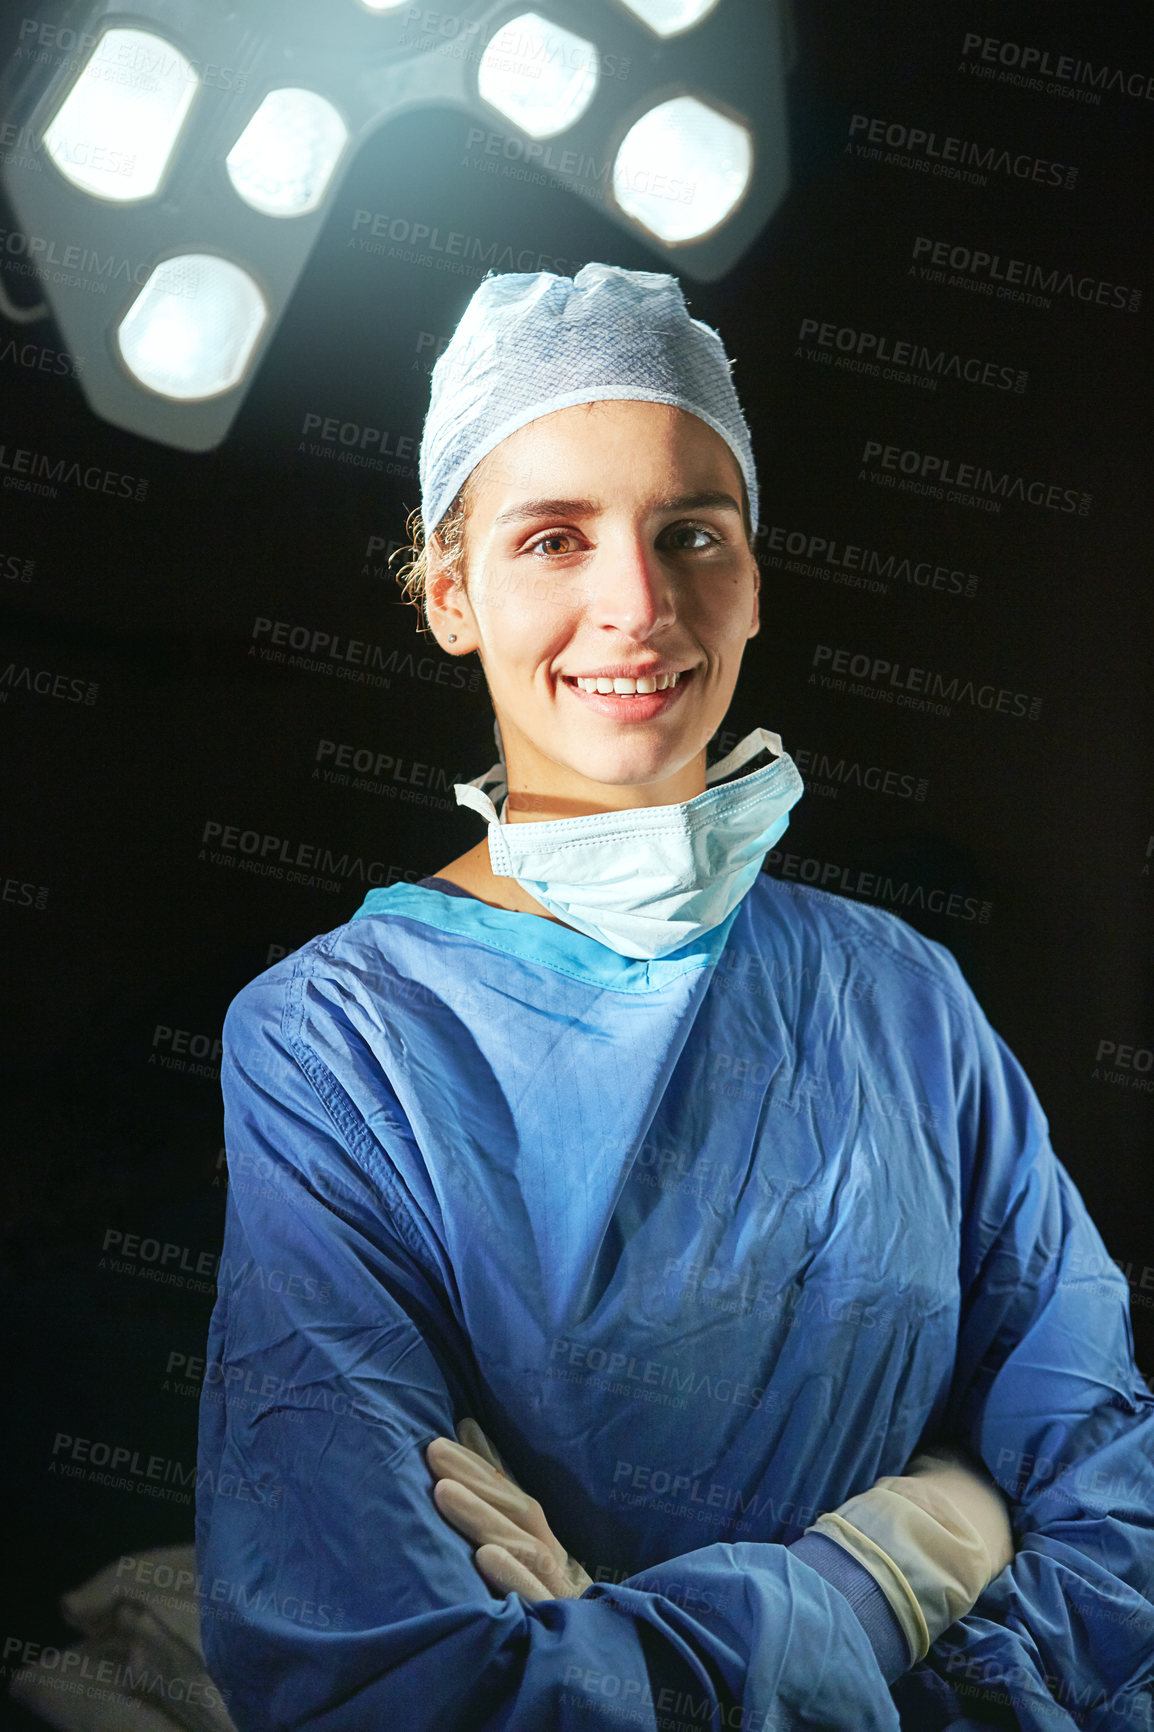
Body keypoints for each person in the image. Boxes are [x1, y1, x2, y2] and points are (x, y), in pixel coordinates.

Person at [195, 264, 1154, 1730]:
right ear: (450, 594)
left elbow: (1111, 1504)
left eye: (688, 534)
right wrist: (889, 1568)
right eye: (553, 540)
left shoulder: (894, 995)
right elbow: (387, 1677)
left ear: (752, 580)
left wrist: (635, 1644)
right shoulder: (339, 1046)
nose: (633, 605)